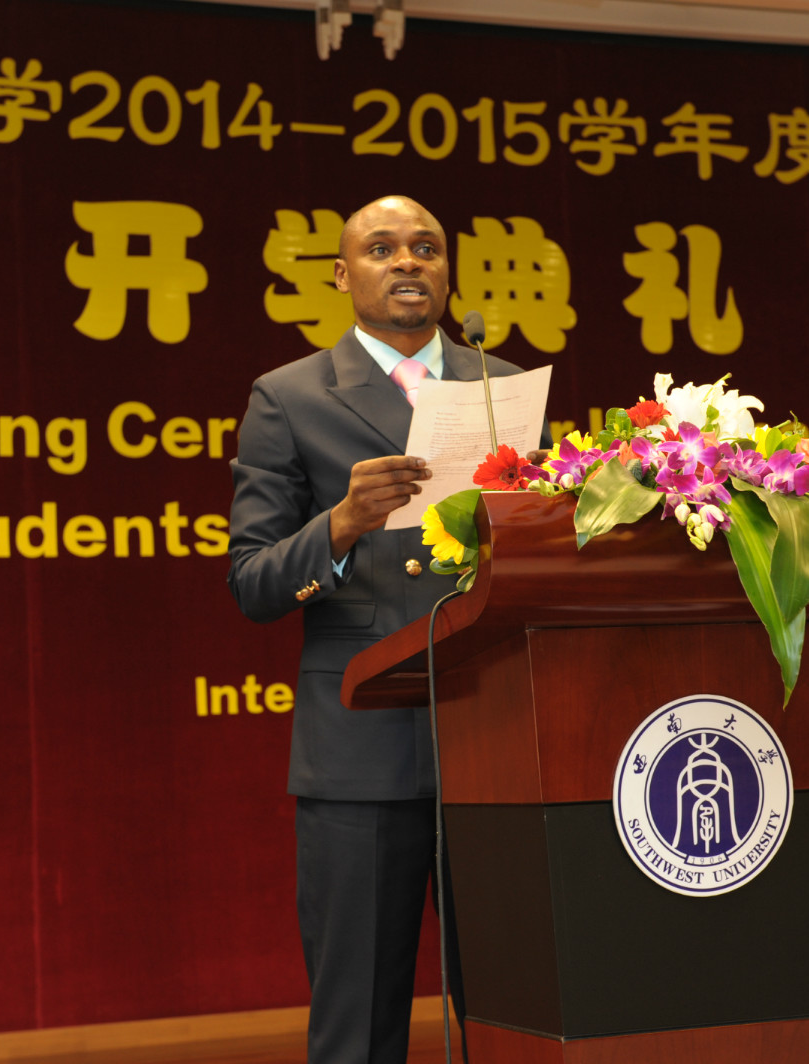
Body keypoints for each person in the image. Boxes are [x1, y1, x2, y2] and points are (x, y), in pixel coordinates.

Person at [227, 195, 541, 1064]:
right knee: (359, 1024)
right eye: (382, 248)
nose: (407, 261)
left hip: (497, 736)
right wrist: (340, 525)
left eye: (426, 248)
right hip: (362, 749)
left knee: (517, 1013)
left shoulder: (502, 387)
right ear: (342, 275)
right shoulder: (290, 397)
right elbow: (252, 583)